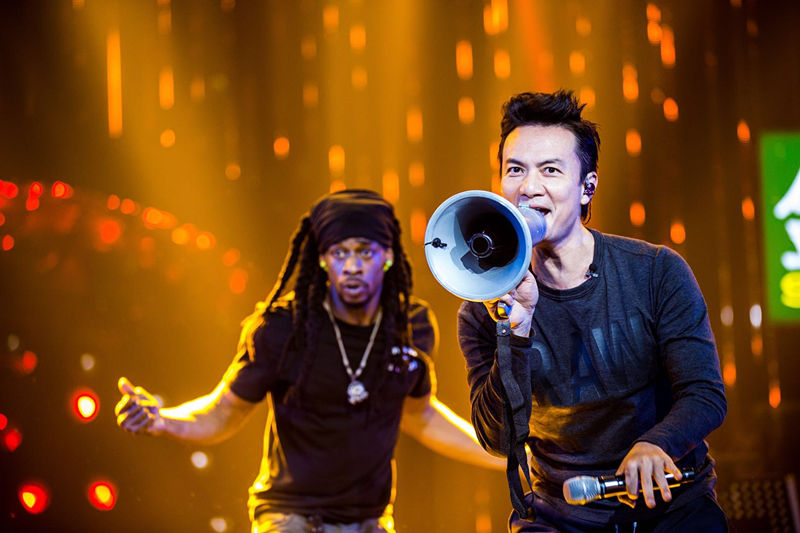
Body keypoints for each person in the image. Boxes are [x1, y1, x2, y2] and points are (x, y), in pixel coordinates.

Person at [116, 189, 502, 533]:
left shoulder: (410, 325)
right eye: (339, 253)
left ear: (387, 256)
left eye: (364, 251)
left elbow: (420, 416)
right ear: (322, 260)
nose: (352, 266)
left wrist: (509, 457)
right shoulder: (283, 329)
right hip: (291, 517)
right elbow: (222, 412)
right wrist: (163, 420)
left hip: (370, 520)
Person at [457, 91, 728, 532]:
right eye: (515, 170)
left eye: (550, 170)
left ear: (587, 187)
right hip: (559, 513)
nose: (529, 187)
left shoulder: (655, 272)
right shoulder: (484, 308)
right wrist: (515, 332)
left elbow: (705, 394)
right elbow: (498, 439)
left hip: (670, 507)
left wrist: (656, 444)